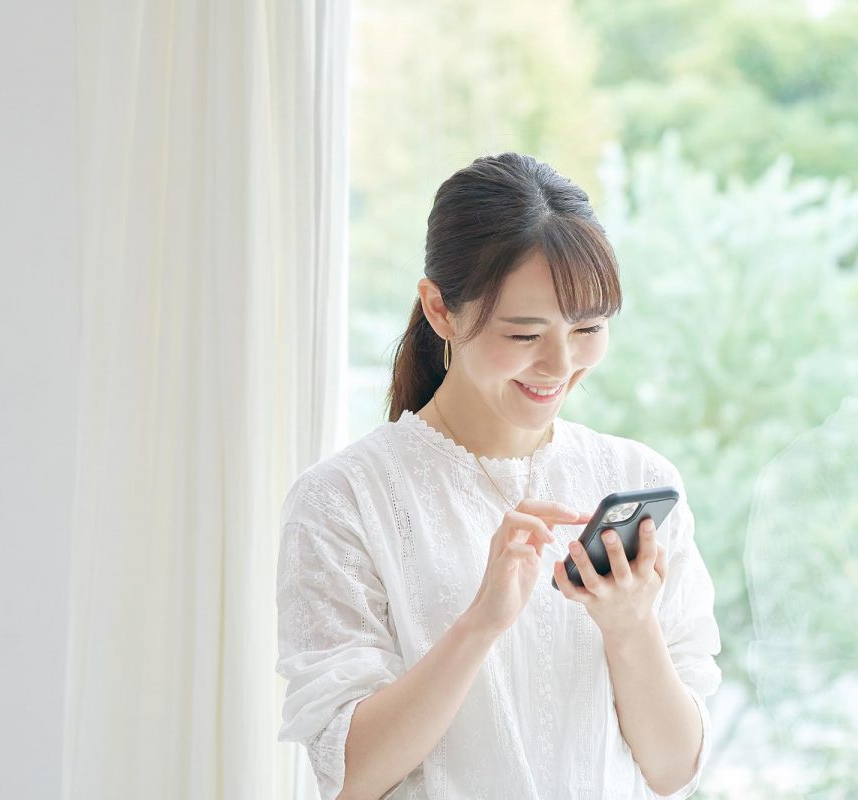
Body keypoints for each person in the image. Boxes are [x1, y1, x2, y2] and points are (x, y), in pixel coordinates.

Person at [275, 153, 723, 800]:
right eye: (523, 335)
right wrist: (480, 622)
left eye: (588, 328)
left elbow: (673, 768)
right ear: (439, 310)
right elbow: (351, 774)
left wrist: (631, 628)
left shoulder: (636, 476)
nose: (560, 364)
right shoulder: (343, 499)